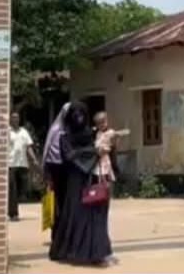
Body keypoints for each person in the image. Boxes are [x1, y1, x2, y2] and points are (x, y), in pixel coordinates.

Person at [49, 102, 114, 266]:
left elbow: (103, 148)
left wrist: (99, 151)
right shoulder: (64, 136)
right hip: (75, 181)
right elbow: (70, 156)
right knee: (75, 215)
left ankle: (96, 252)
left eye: (81, 114)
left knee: (95, 217)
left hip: (92, 178)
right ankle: (74, 251)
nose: (78, 118)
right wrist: (93, 152)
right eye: (75, 114)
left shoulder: (91, 133)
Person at [42, 103, 72, 231]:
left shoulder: (72, 129)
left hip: (66, 167)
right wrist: (44, 168)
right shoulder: (55, 129)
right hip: (53, 166)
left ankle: (65, 227)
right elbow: (47, 147)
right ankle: (54, 226)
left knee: (65, 197)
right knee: (52, 197)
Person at [8, 112, 36, 222]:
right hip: (11, 164)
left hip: (22, 164)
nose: (15, 119)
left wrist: (33, 159)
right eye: (13, 117)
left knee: (21, 190)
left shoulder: (24, 132)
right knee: (13, 189)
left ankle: (11, 209)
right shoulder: (7, 132)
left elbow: (29, 147)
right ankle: (13, 214)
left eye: (17, 118)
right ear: (10, 119)